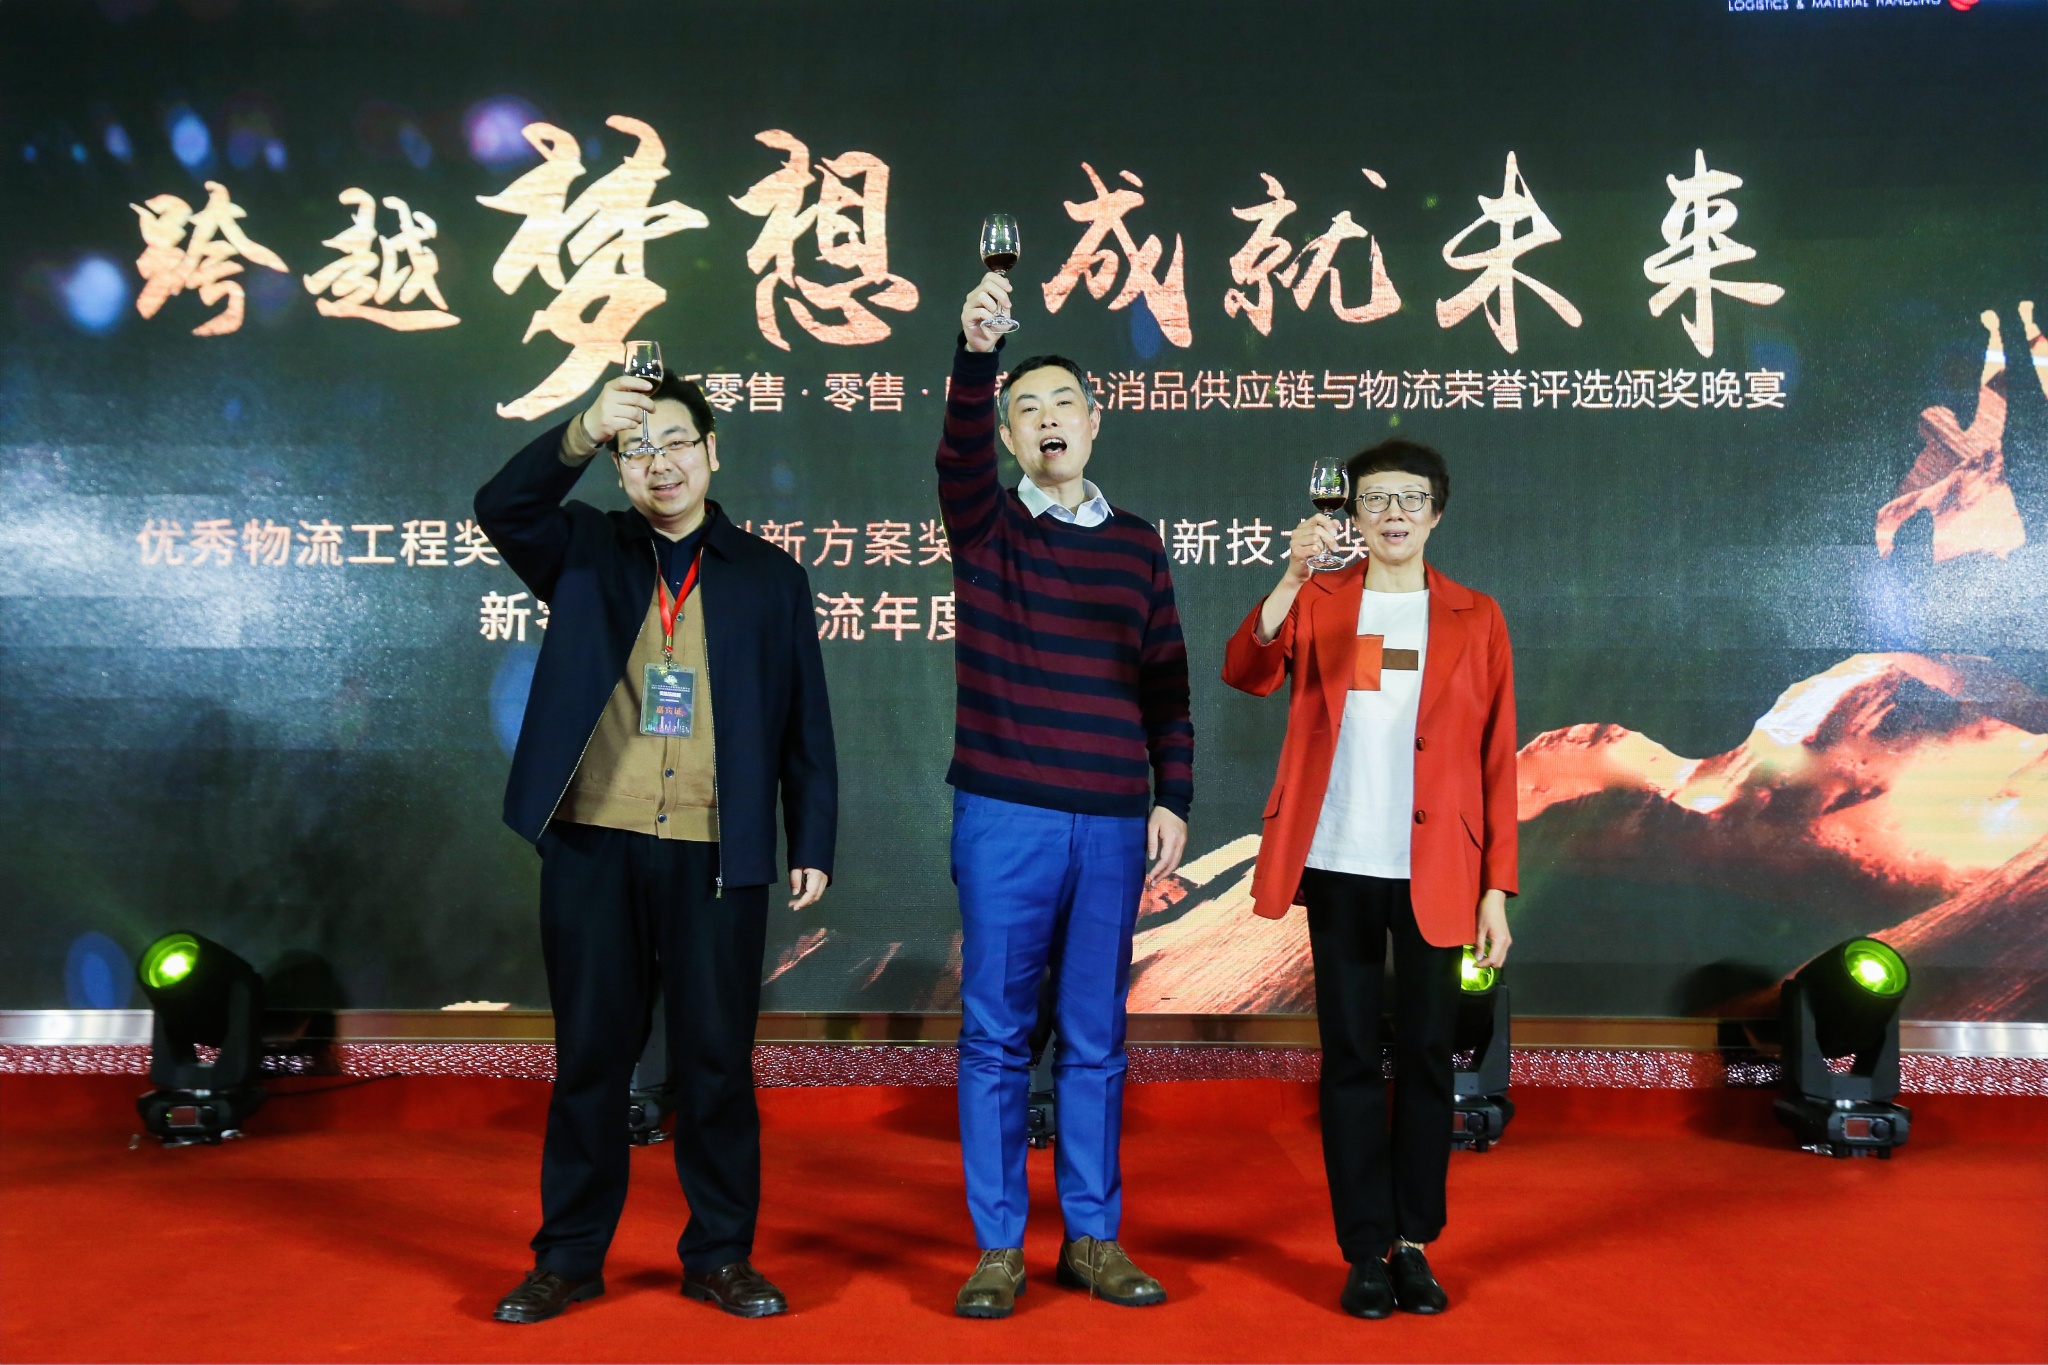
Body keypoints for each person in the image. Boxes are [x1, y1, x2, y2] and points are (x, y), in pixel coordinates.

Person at [474, 367, 836, 1324]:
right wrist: (582, 428)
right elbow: (502, 505)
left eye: (676, 442)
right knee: (592, 1057)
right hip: (595, 840)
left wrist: (812, 837)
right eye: (637, 448)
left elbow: (805, 722)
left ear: (712, 451)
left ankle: (721, 1254)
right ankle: (567, 1257)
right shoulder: (585, 550)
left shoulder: (769, 576)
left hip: (718, 848)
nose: (659, 462)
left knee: (716, 1062)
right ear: (618, 467)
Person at [938, 272, 1193, 1318]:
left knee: (1095, 1036)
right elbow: (953, 457)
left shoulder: (1136, 541)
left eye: (1063, 405)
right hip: (1005, 813)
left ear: (1095, 421)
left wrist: (1171, 797)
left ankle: (1091, 1236)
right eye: (1025, 410)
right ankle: (998, 1245)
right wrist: (976, 359)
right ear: (1006, 436)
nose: (1047, 421)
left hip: (1113, 821)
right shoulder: (986, 526)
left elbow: (1166, 684)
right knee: (996, 1036)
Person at [1221, 439, 1515, 1320]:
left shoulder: (1475, 615)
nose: (1393, 513)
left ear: (1437, 512)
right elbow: (1246, 671)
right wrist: (1289, 576)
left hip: (1440, 866)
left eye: (1410, 498)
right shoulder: (1320, 598)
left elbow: (1497, 755)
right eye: (1376, 498)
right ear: (1351, 512)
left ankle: (1414, 1242)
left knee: (1426, 1055)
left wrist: (1497, 887)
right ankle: (1362, 1250)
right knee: (1349, 1056)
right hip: (1341, 859)